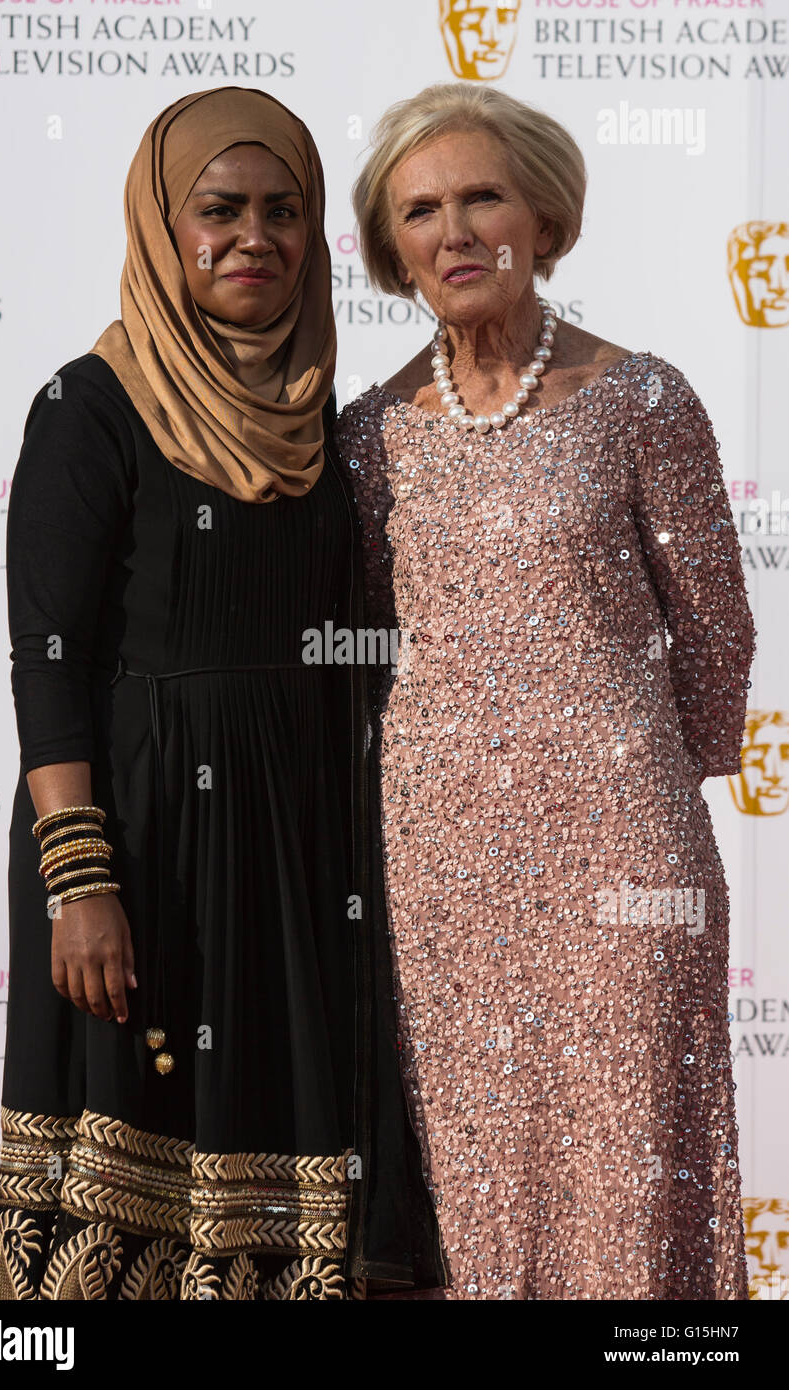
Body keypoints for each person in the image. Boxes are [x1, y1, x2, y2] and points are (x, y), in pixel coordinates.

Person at [0, 86, 447, 1302]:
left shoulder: (333, 434)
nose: (255, 238)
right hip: (144, 845)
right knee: (127, 1185)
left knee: (290, 1173)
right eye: (220, 210)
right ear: (159, 225)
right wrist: (79, 881)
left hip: (297, 853)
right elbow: (48, 659)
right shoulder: (90, 410)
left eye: (283, 212)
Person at [335, 81, 755, 1300]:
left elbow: (715, 634)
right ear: (389, 250)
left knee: (633, 1159)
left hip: (622, 850)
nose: (453, 231)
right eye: (420, 210)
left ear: (545, 220)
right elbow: (359, 646)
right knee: (468, 1173)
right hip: (438, 863)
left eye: (481, 197)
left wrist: (619, 765)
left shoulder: (643, 398)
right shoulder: (367, 436)